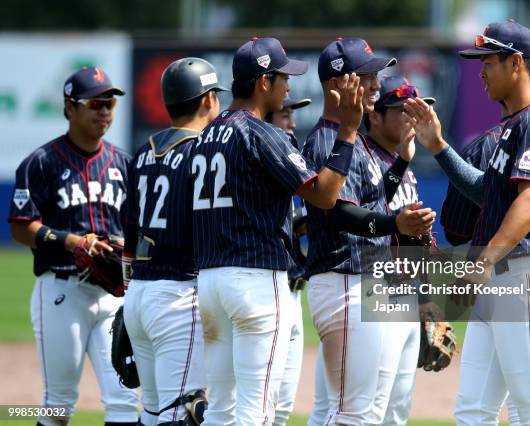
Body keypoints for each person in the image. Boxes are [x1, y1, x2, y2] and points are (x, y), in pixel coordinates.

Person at [405, 20, 530, 425]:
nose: (481, 71)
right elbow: (489, 192)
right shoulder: (513, 128)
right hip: (502, 280)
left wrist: (481, 265)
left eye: (489, 61)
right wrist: (440, 148)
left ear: (517, 63)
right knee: (473, 411)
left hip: (526, 278)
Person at [192, 36, 364, 425]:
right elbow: (323, 195)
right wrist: (348, 132)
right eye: (283, 77)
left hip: (210, 282)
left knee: (220, 410)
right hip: (255, 279)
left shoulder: (205, 137)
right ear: (263, 82)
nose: (289, 86)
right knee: (257, 412)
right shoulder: (261, 133)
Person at [302, 37, 436, 425]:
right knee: (353, 415)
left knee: (363, 413)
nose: (376, 82)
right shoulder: (329, 139)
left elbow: (371, 199)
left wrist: (401, 166)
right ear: (339, 83)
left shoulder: (351, 138)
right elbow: (341, 214)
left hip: (362, 284)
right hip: (346, 281)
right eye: (367, 74)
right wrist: (396, 223)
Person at [8, 66, 139, 426]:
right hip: (62, 291)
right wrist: (71, 241)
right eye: (95, 103)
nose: (104, 111)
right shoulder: (41, 163)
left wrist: (124, 246)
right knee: (59, 404)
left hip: (113, 294)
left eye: (110, 103)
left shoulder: (123, 164)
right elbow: (21, 227)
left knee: (124, 400)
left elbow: (136, 227)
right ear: (69, 107)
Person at [122, 57, 225, 426]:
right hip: (180, 296)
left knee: (151, 412)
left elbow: (129, 234)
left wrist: (128, 295)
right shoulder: (203, 153)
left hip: (140, 295)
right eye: (215, 94)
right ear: (207, 99)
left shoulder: (142, 154)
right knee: (182, 412)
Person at [363, 75, 440, 425]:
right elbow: (367, 217)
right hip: (377, 296)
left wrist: (426, 301)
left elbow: (415, 245)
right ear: (375, 116)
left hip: (407, 296)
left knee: (396, 413)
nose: (411, 117)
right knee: (370, 408)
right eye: (401, 110)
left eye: (415, 109)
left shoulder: (405, 168)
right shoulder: (365, 158)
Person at [264, 95, 312, 426]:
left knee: (282, 408)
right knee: (260, 404)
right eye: (284, 116)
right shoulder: (259, 163)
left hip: (294, 292)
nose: (292, 124)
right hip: (267, 289)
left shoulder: (290, 166)